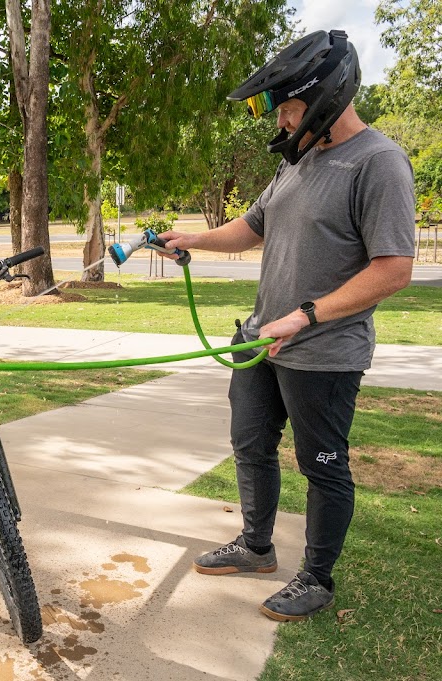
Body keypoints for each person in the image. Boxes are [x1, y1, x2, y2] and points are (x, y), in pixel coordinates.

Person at [160, 29, 415, 621]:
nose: (282, 122)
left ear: (326, 98)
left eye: (290, 108)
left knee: (323, 466)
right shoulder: (297, 163)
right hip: (261, 342)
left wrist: (305, 316)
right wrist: (191, 237)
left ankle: (317, 578)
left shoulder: (378, 162)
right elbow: (253, 227)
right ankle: (255, 547)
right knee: (251, 446)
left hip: (324, 351)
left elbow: (394, 268)